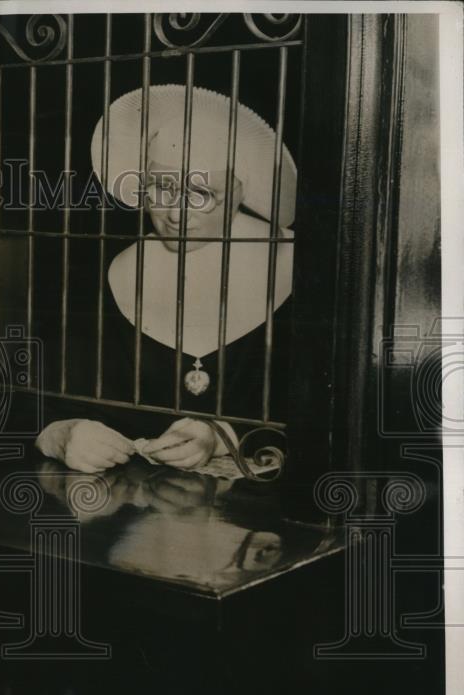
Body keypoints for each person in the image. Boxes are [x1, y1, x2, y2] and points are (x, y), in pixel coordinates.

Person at [37, 84, 297, 473]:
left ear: (239, 191)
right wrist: (61, 433)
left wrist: (224, 435)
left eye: (202, 193)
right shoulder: (110, 272)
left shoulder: (301, 270)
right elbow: (47, 398)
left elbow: (323, 415)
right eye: (162, 187)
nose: (175, 214)